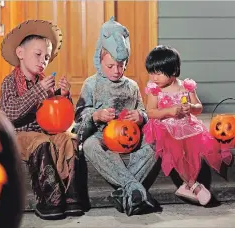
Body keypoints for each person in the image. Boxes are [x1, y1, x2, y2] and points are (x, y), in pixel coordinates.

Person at [73, 17, 159, 216]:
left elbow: (144, 112)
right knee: (89, 146)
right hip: (102, 136)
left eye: (121, 66)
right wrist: (96, 115)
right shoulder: (91, 84)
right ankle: (134, 188)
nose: (116, 71)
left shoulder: (132, 86)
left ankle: (125, 191)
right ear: (99, 60)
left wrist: (140, 117)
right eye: (110, 66)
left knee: (156, 141)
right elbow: (79, 120)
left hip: (130, 136)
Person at [0, 20, 84, 220]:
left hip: (44, 134)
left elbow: (56, 115)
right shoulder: (9, 82)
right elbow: (11, 112)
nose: (43, 61)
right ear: (20, 53)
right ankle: (50, 198)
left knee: (68, 138)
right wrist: (39, 91)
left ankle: (71, 197)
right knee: (40, 141)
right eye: (38, 55)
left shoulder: (44, 84)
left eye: (46, 57)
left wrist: (63, 95)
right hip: (19, 136)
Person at [143, 45, 233, 206]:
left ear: (173, 70)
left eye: (158, 73)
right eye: (151, 72)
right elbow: (150, 112)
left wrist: (190, 108)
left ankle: (186, 186)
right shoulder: (155, 90)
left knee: (197, 147)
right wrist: (169, 111)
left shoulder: (186, 86)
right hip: (164, 125)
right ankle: (194, 185)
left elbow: (199, 108)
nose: (153, 77)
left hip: (186, 124)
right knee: (176, 148)